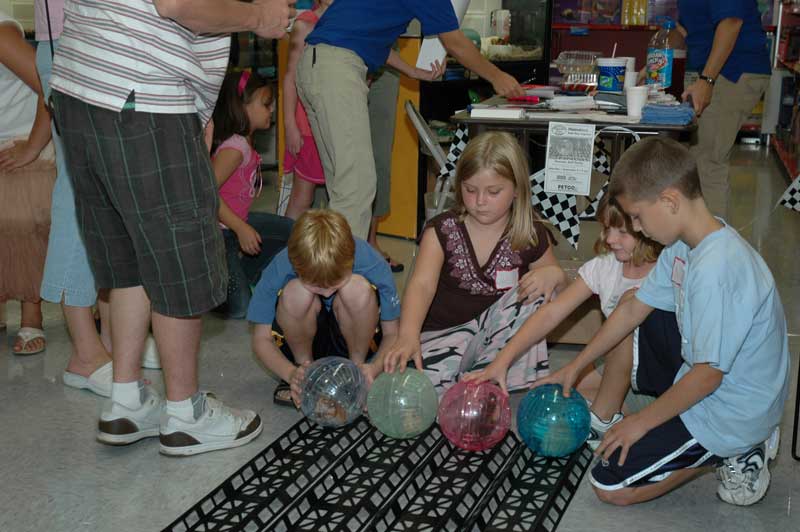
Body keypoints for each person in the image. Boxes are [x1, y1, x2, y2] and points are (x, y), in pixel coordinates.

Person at [47, 0, 293, 456]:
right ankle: (185, 414)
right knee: (179, 256)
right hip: (143, 94)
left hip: (82, 89)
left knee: (132, 256)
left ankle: (127, 399)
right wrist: (258, 17)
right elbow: (179, 3)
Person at [536, 137, 789, 507]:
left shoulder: (716, 269)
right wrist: (575, 367)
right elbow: (632, 310)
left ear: (670, 200)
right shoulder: (686, 245)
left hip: (730, 410)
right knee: (634, 300)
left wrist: (641, 423)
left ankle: (737, 448)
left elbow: (708, 375)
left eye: (637, 216)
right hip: (707, 380)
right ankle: (660, 425)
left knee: (610, 485)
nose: (636, 228)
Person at [296, 1, 525, 240]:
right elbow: (455, 42)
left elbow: (367, 35)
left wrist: (412, 71)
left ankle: (326, 267)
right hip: (337, 69)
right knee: (357, 186)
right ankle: (341, 273)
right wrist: (496, 76)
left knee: (342, 186)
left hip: (315, 65)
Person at [465, 196, 663, 448]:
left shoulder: (664, 270)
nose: (610, 239)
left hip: (653, 378)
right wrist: (501, 361)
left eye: (622, 232)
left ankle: (606, 416)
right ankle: (616, 411)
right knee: (551, 396)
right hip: (614, 366)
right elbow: (552, 312)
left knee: (626, 310)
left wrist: (576, 367)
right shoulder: (604, 266)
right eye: (606, 229)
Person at [383, 132, 566, 393]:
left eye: (493, 192)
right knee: (412, 393)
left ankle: (493, 379)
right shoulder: (442, 229)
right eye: (470, 190)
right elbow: (421, 285)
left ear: (517, 190)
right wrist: (407, 335)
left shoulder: (530, 233)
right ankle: (474, 382)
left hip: (499, 347)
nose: (480, 201)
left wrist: (554, 275)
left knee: (538, 293)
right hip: (443, 338)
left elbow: (562, 293)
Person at [283, 1, 443, 227]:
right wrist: (290, 123)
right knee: (352, 187)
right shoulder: (310, 23)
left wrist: (414, 71)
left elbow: (375, 43)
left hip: (334, 91)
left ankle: (331, 255)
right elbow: (291, 75)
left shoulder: (348, 17)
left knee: (344, 186)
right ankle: (339, 257)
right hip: (327, 97)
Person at [32, 0, 117, 395]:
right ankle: (85, 350)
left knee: (106, 191)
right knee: (77, 190)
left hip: (98, 42)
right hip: (76, 44)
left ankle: (111, 343)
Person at [249, 209, 400, 407]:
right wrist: (291, 374)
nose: (327, 293)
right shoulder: (280, 267)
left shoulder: (373, 263)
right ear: (295, 266)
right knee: (296, 292)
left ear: (351, 260)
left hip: (357, 339)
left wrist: (374, 368)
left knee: (356, 288)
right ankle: (305, 370)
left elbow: (392, 333)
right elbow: (261, 339)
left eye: (335, 284)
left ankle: (356, 371)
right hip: (304, 342)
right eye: (317, 286)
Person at [211, 71, 294, 319]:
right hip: (221, 232)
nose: (272, 110)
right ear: (242, 106)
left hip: (238, 224)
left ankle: (248, 270)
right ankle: (212, 288)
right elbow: (207, 194)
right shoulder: (235, 148)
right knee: (240, 309)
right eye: (266, 104)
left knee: (296, 233)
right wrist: (240, 229)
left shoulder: (245, 143)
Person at [678, 0, 771, 218]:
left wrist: (707, 81)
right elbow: (682, 29)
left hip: (732, 70)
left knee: (707, 160)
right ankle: (698, 238)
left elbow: (731, 22)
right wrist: (652, 63)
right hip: (715, 71)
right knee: (698, 157)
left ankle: (711, 246)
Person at [0, 10, 54, 356]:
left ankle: (31, 311)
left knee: (20, 223)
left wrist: (33, 144)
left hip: (21, 142)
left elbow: (51, 81)